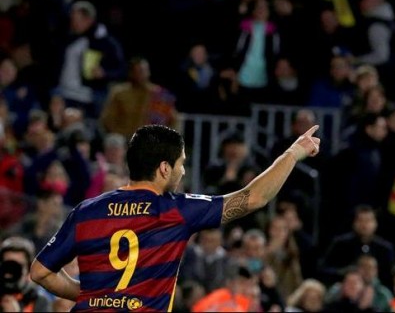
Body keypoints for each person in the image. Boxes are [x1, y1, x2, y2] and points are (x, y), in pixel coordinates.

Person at [29, 124, 321, 311]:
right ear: (165, 168)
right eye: (181, 163)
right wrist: (292, 154)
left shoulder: (86, 211)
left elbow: (40, 272)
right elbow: (253, 198)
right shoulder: (177, 210)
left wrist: (92, 295)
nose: (183, 172)